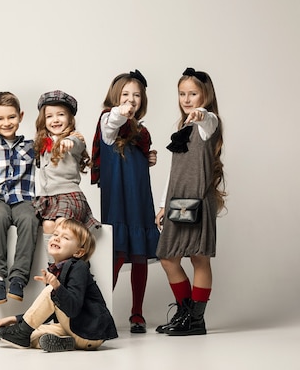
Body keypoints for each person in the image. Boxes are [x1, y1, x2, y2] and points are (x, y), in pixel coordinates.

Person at [155, 68, 226, 336]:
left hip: (197, 200)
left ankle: (196, 320)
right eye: (182, 94)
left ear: (205, 95)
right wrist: (163, 204)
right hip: (178, 201)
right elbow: (175, 173)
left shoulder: (209, 123)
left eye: (193, 94)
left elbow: (208, 120)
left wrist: (202, 114)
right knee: (168, 257)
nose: (186, 99)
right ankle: (185, 314)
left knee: (199, 258)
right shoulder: (182, 127)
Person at [91, 70, 159, 333]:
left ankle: (137, 313)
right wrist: (123, 110)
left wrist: (148, 158)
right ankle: (100, 310)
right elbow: (113, 123)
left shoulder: (142, 132)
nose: (132, 100)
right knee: (117, 253)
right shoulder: (109, 119)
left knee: (140, 254)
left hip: (139, 198)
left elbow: (137, 157)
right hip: (118, 200)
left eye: (137, 96)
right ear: (115, 98)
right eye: (125, 95)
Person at [0, 218, 117, 352]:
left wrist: (56, 286)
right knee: (34, 333)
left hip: (90, 330)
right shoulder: (57, 270)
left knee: (51, 292)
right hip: (77, 332)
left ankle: (22, 333)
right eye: (55, 234)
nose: (57, 238)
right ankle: (65, 342)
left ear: (78, 252)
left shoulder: (79, 267)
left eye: (65, 238)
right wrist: (16, 319)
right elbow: (49, 311)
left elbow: (73, 309)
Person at [0, 92, 39, 304]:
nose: (6, 123)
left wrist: (75, 138)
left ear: (20, 116)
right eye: (0, 118)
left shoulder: (33, 146)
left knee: (29, 219)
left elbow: (56, 147)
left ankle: (18, 278)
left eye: (11, 117)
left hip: (23, 198)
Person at [33, 90, 101, 263]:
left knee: (62, 226)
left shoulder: (74, 138)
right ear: (43, 120)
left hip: (68, 195)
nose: (55, 120)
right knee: (48, 225)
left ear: (70, 119)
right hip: (48, 197)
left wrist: (69, 142)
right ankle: (54, 266)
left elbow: (77, 144)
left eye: (61, 115)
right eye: (50, 116)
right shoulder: (42, 141)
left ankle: (66, 267)